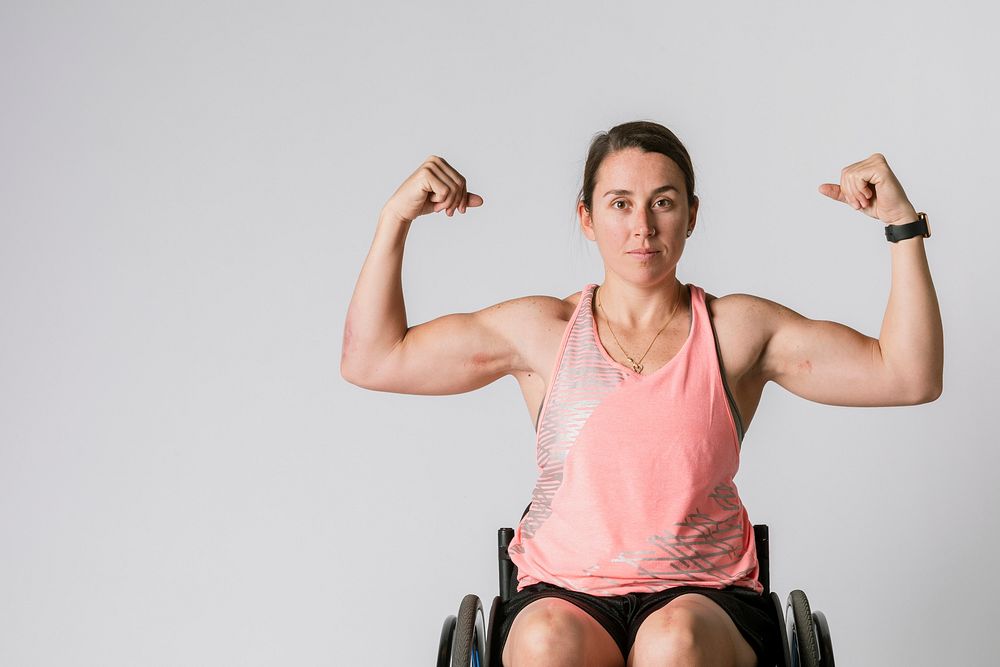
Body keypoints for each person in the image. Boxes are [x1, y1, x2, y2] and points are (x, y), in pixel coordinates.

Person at [341, 120, 943, 667]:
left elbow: (906, 375)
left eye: (663, 203)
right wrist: (394, 219)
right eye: (620, 204)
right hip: (564, 593)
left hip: (705, 599)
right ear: (586, 217)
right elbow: (374, 358)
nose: (642, 228)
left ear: (692, 214)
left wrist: (902, 225)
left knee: (671, 641)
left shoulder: (736, 332)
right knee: (545, 641)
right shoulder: (541, 334)